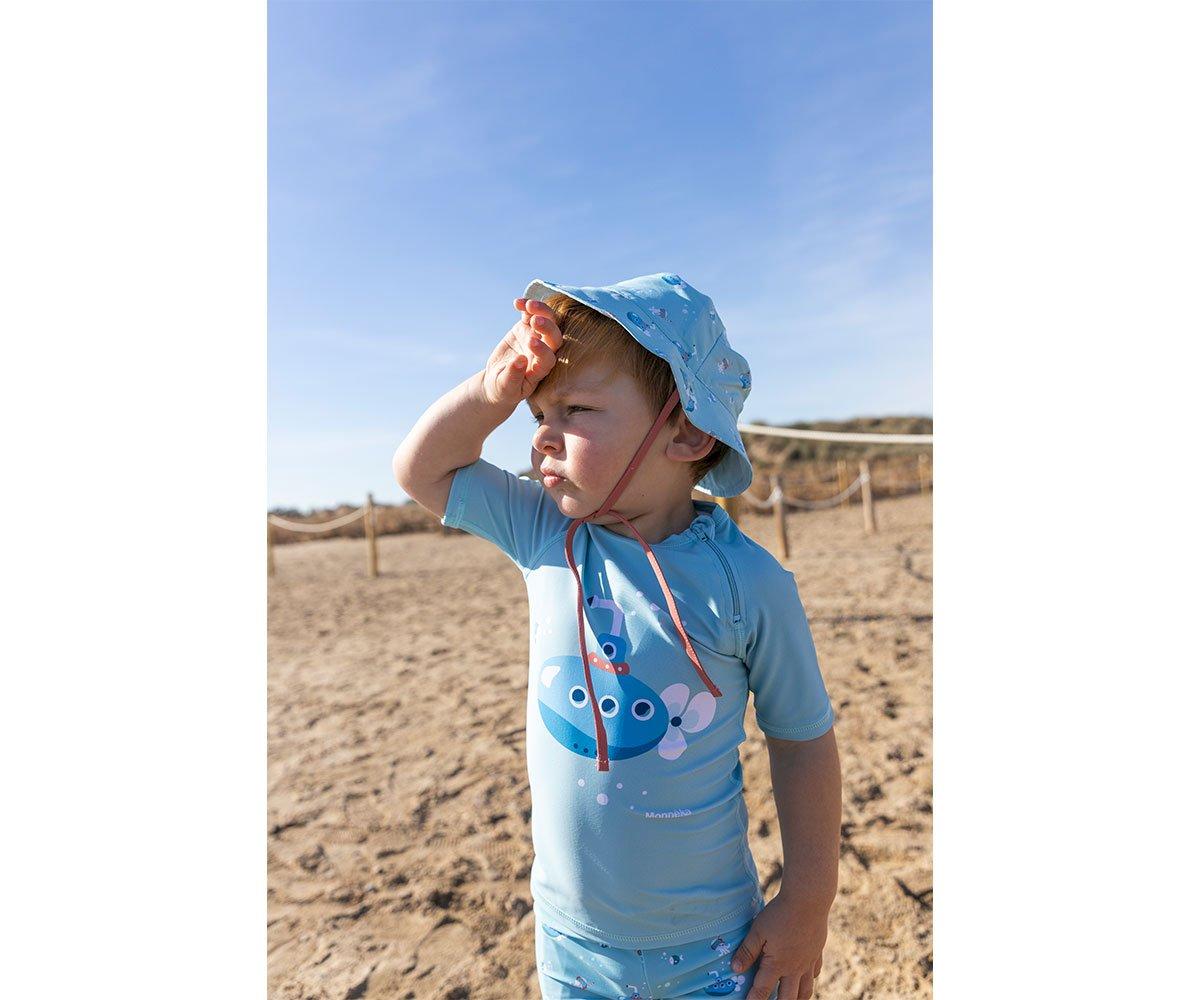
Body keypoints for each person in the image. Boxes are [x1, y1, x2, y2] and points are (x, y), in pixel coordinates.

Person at [393, 273, 841, 1000]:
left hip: (713, 949)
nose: (539, 432)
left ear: (687, 430)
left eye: (574, 409)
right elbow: (421, 469)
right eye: (537, 411)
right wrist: (492, 390)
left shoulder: (749, 583)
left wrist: (808, 902)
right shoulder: (545, 530)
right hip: (571, 943)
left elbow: (802, 743)